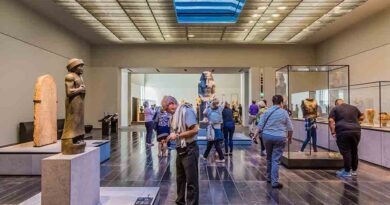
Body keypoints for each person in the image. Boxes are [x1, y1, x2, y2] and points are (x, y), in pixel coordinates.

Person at [165, 96, 199, 205]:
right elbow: (175, 131)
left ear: (171, 104)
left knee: (191, 182)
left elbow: (195, 129)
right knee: (180, 180)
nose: (166, 111)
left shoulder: (186, 111)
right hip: (180, 150)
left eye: (166, 108)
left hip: (189, 149)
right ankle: (180, 202)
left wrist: (178, 135)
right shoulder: (175, 115)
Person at [255, 95, 293, 189]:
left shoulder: (267, 111)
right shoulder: (284, 112)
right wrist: (290, 138)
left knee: (269, 157)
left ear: (272, 102)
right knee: (275, 159)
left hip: (267, 136)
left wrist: (255, 136)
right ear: (281, 102)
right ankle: (274, 182)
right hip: (280, 137)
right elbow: (290, 128)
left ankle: (269, 178)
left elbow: (260, 125)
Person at [329, 99, 364, 177]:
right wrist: (356, 123)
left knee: (346, 151)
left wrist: (333, 132)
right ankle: (354, 170)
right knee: (354, 150)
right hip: (356, 131)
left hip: (343, 131)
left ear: (336, 104)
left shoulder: (336, 108)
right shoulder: (354, 108)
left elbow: (331, 121)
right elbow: (362, 116)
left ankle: (347, 171)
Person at [202, 98, 225, 162]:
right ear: (217, 103)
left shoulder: (209, 109)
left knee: (214, 144)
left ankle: (222, 158)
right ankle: (204, 156)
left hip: (211, 128)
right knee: (211, 143)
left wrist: (207, 105)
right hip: (217, 128)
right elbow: (223, 103)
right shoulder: (220, 109)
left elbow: (204, 112)